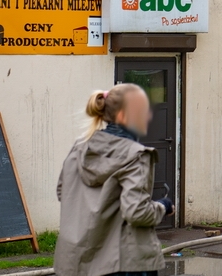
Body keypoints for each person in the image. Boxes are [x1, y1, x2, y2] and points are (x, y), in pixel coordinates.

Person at [55, 83, 174, 276]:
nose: (149, 116)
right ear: (123, 116)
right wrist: (163, 206)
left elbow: (64, 193)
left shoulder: (79, 148)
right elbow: (136, 212)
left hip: (76, 260)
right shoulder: (136, 155)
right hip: (124, 263)